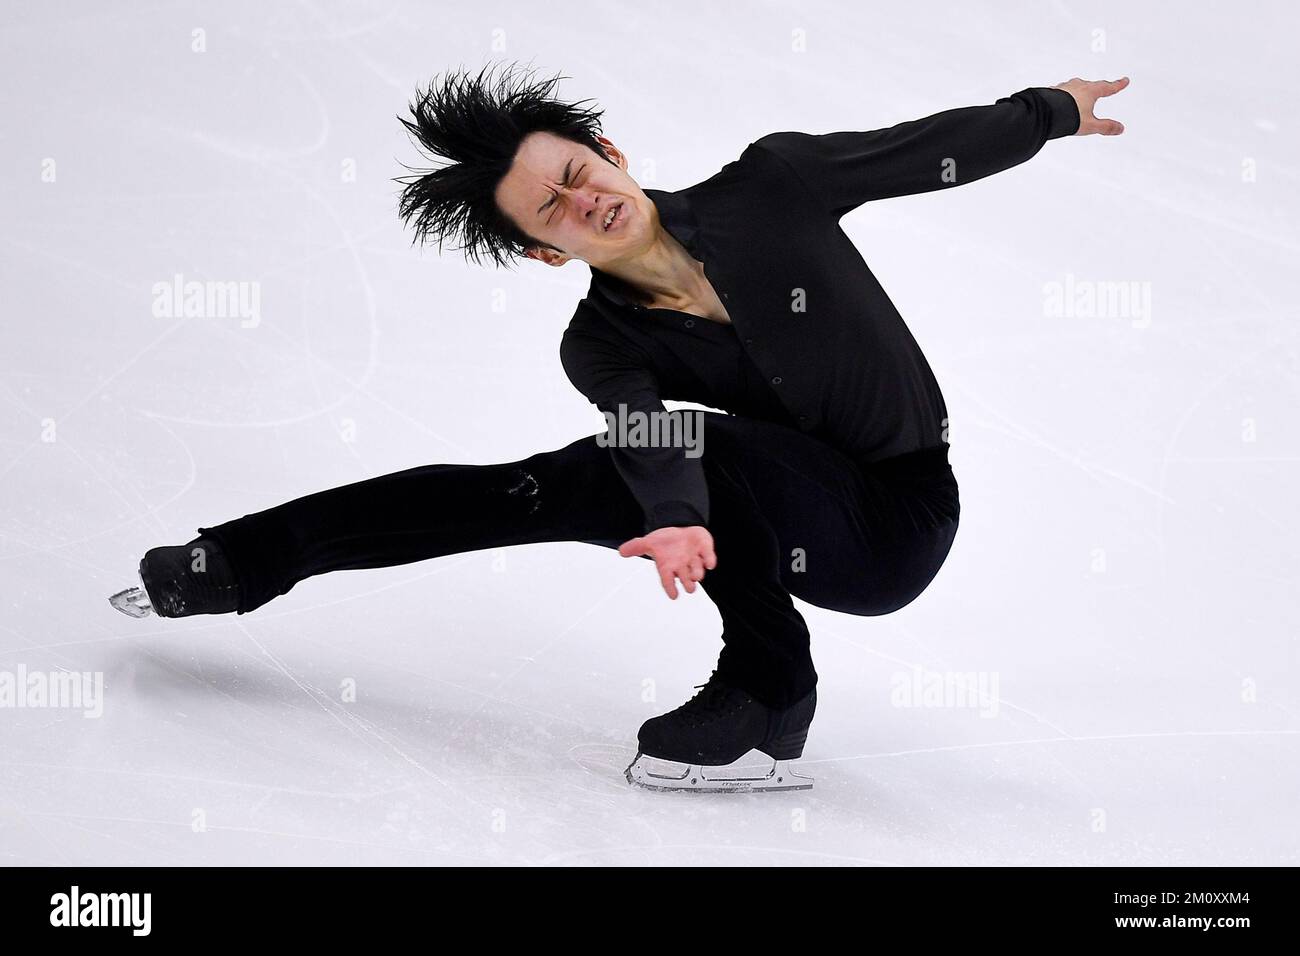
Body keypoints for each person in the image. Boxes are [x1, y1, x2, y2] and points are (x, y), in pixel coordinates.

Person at [110, 63, 1128, 792]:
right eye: (550, 209)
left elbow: (919, 153)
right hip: (757, 508)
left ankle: (770, 688)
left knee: (697, 448)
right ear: (544, 251)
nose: (580, 200)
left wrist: (1046, 112)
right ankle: (240, 561)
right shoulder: (599, 346)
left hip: (896, 521)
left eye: (579, 172)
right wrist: (679, 517)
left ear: (612, 152)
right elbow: (645, 429)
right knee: (534, 485)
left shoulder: (772, 187)